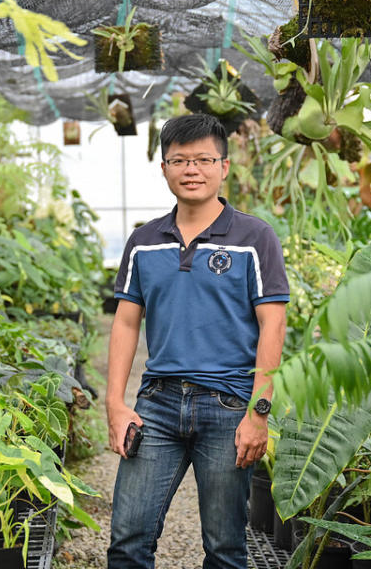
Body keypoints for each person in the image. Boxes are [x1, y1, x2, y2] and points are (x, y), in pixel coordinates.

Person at [106, 113, 289, 569]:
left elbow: (274, 326)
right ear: (164, 167)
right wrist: (114, 404)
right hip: (158, 406)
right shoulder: (144, 243)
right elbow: (126, 324)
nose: (192, 170)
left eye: (204, 159)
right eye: (180, 160)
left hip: (228, 409)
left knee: (226, 550)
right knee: (128, 541)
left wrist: (258, 414)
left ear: (224, 167)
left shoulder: (254, 238)